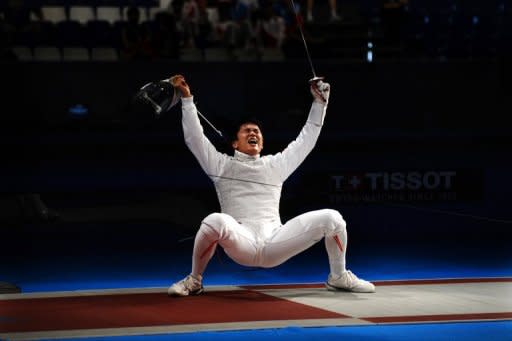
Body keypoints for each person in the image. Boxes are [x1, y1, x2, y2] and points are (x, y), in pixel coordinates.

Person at [167, 74, 375, 296]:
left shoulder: (275, 165)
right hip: (242, 243)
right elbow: (195, 140)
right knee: (214, 221)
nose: (253, 133)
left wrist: (319, 104)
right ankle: (194, 280)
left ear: (262, 141)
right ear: (235, 143)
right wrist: (187, 100)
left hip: (276, 242)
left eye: (256, 131)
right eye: (246, 130)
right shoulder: (221, 166)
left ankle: (338, 276)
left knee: (332, 218)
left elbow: (306, 140)